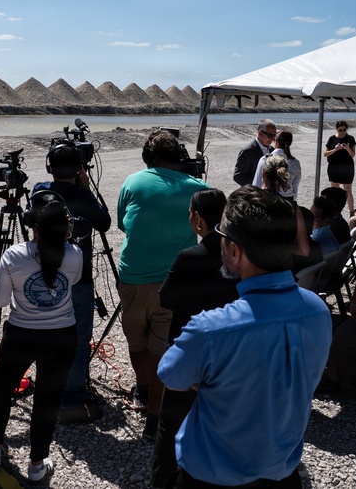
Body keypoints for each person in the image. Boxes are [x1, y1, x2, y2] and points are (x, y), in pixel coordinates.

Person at [158, 186, 332, 488]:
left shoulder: (210, 329)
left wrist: (213, 381)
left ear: (235, 250)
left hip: (212, 477)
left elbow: (171, 375)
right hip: (283, 472)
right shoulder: (318, 310)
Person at [0, 191, 81, 484]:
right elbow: (69, 283)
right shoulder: (76, 255)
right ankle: (37, 463)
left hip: (22, 333)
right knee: (47, 398)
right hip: (62, 335)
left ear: (30, 223)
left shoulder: (13, 256)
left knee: (2, 389)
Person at [117, 130, 209, 439]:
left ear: (148, 157)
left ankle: (144, 391)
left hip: (134, 279)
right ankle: (155, 416)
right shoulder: (198, 189)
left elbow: (121, 223)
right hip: (175, 281)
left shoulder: (132, 182)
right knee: (161, 350)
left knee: (137, 342)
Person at [151, 188, 237, 488]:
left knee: (172, 421)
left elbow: (166, 298)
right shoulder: (239, 254)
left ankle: (163, 480)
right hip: (231, 349)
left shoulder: (189, 257)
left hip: (190, 347)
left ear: (197, 219)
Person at [31, 142, 111, 423]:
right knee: (77, 342)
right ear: (79, 169)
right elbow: (104, 223)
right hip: (80, 279)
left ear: (49, 167)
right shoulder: (83, 196)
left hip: (43, 276)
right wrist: (85, 188)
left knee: (46, 336)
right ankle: (72, 398)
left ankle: (48, 392)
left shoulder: (40, 192)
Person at [253, 130, 301, 199]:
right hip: (288, 200)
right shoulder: (295, 163)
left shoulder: (265, 159)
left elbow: (256, 185)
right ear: (290, 144)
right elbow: (295, 187)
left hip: (269, 199)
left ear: (276, 141)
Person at [324, 120, 356, 212]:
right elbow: (325, 154)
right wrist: (334, 150)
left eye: (344, 130)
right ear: (336, 129)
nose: (342, 132)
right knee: (335, 190)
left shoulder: (350, 139)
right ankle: (336, 211)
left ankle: (351, 211)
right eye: (340, 130)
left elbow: (353, 154)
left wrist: (347, 148)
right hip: (334, 167)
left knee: (348, 190)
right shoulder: (332, 139)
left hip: (347, 167)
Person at [233, 119, 276, 187]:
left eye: (274, 136)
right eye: (270, 135)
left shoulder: (273, 150)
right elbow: (238, 176)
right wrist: (256, 186)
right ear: (260, 133)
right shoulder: (247, 151)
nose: (272, 139)